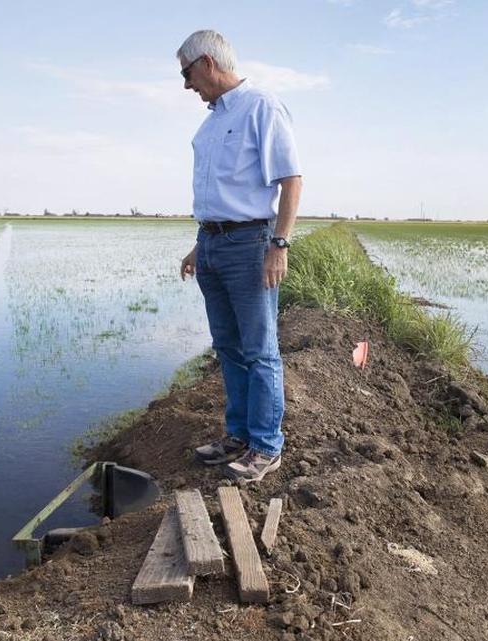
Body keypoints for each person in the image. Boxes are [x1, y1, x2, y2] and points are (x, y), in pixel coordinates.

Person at [176, 29, 303, 483]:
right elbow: (221, 195)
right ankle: (238, 435)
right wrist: (200, 244)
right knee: (228, 348)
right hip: (212, 244)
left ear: (207, 63)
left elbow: (291, 180)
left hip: (251, 246)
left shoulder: (261, 107)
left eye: (188, 74)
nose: (187, 85)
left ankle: (266, 447)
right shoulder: (210, 124)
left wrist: (279, 244)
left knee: (260, 349)